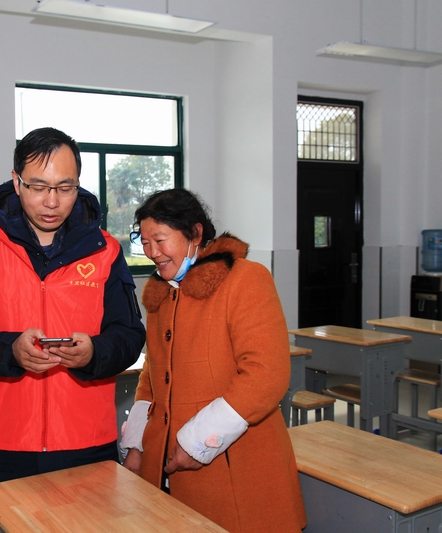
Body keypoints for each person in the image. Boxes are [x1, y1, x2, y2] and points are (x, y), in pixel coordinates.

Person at [0, 127, 146, 504]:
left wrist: (94, 353)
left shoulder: (105, 251)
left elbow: (129, 335)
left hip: (86, 443)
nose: (52, 201)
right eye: (38, 186)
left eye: (65, 187)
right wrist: (9, 350)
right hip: (2, 444)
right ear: (16, 182)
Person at [119, 188, 306, 532]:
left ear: (195, 233)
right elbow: (153, 374)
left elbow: (266, 374)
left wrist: (197, 442)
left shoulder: (245, 279)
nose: (152, 252)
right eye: (144, 242)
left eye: (159, 240)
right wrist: (137, 444)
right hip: (168, 471)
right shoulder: (163, 295)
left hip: (236, 470)